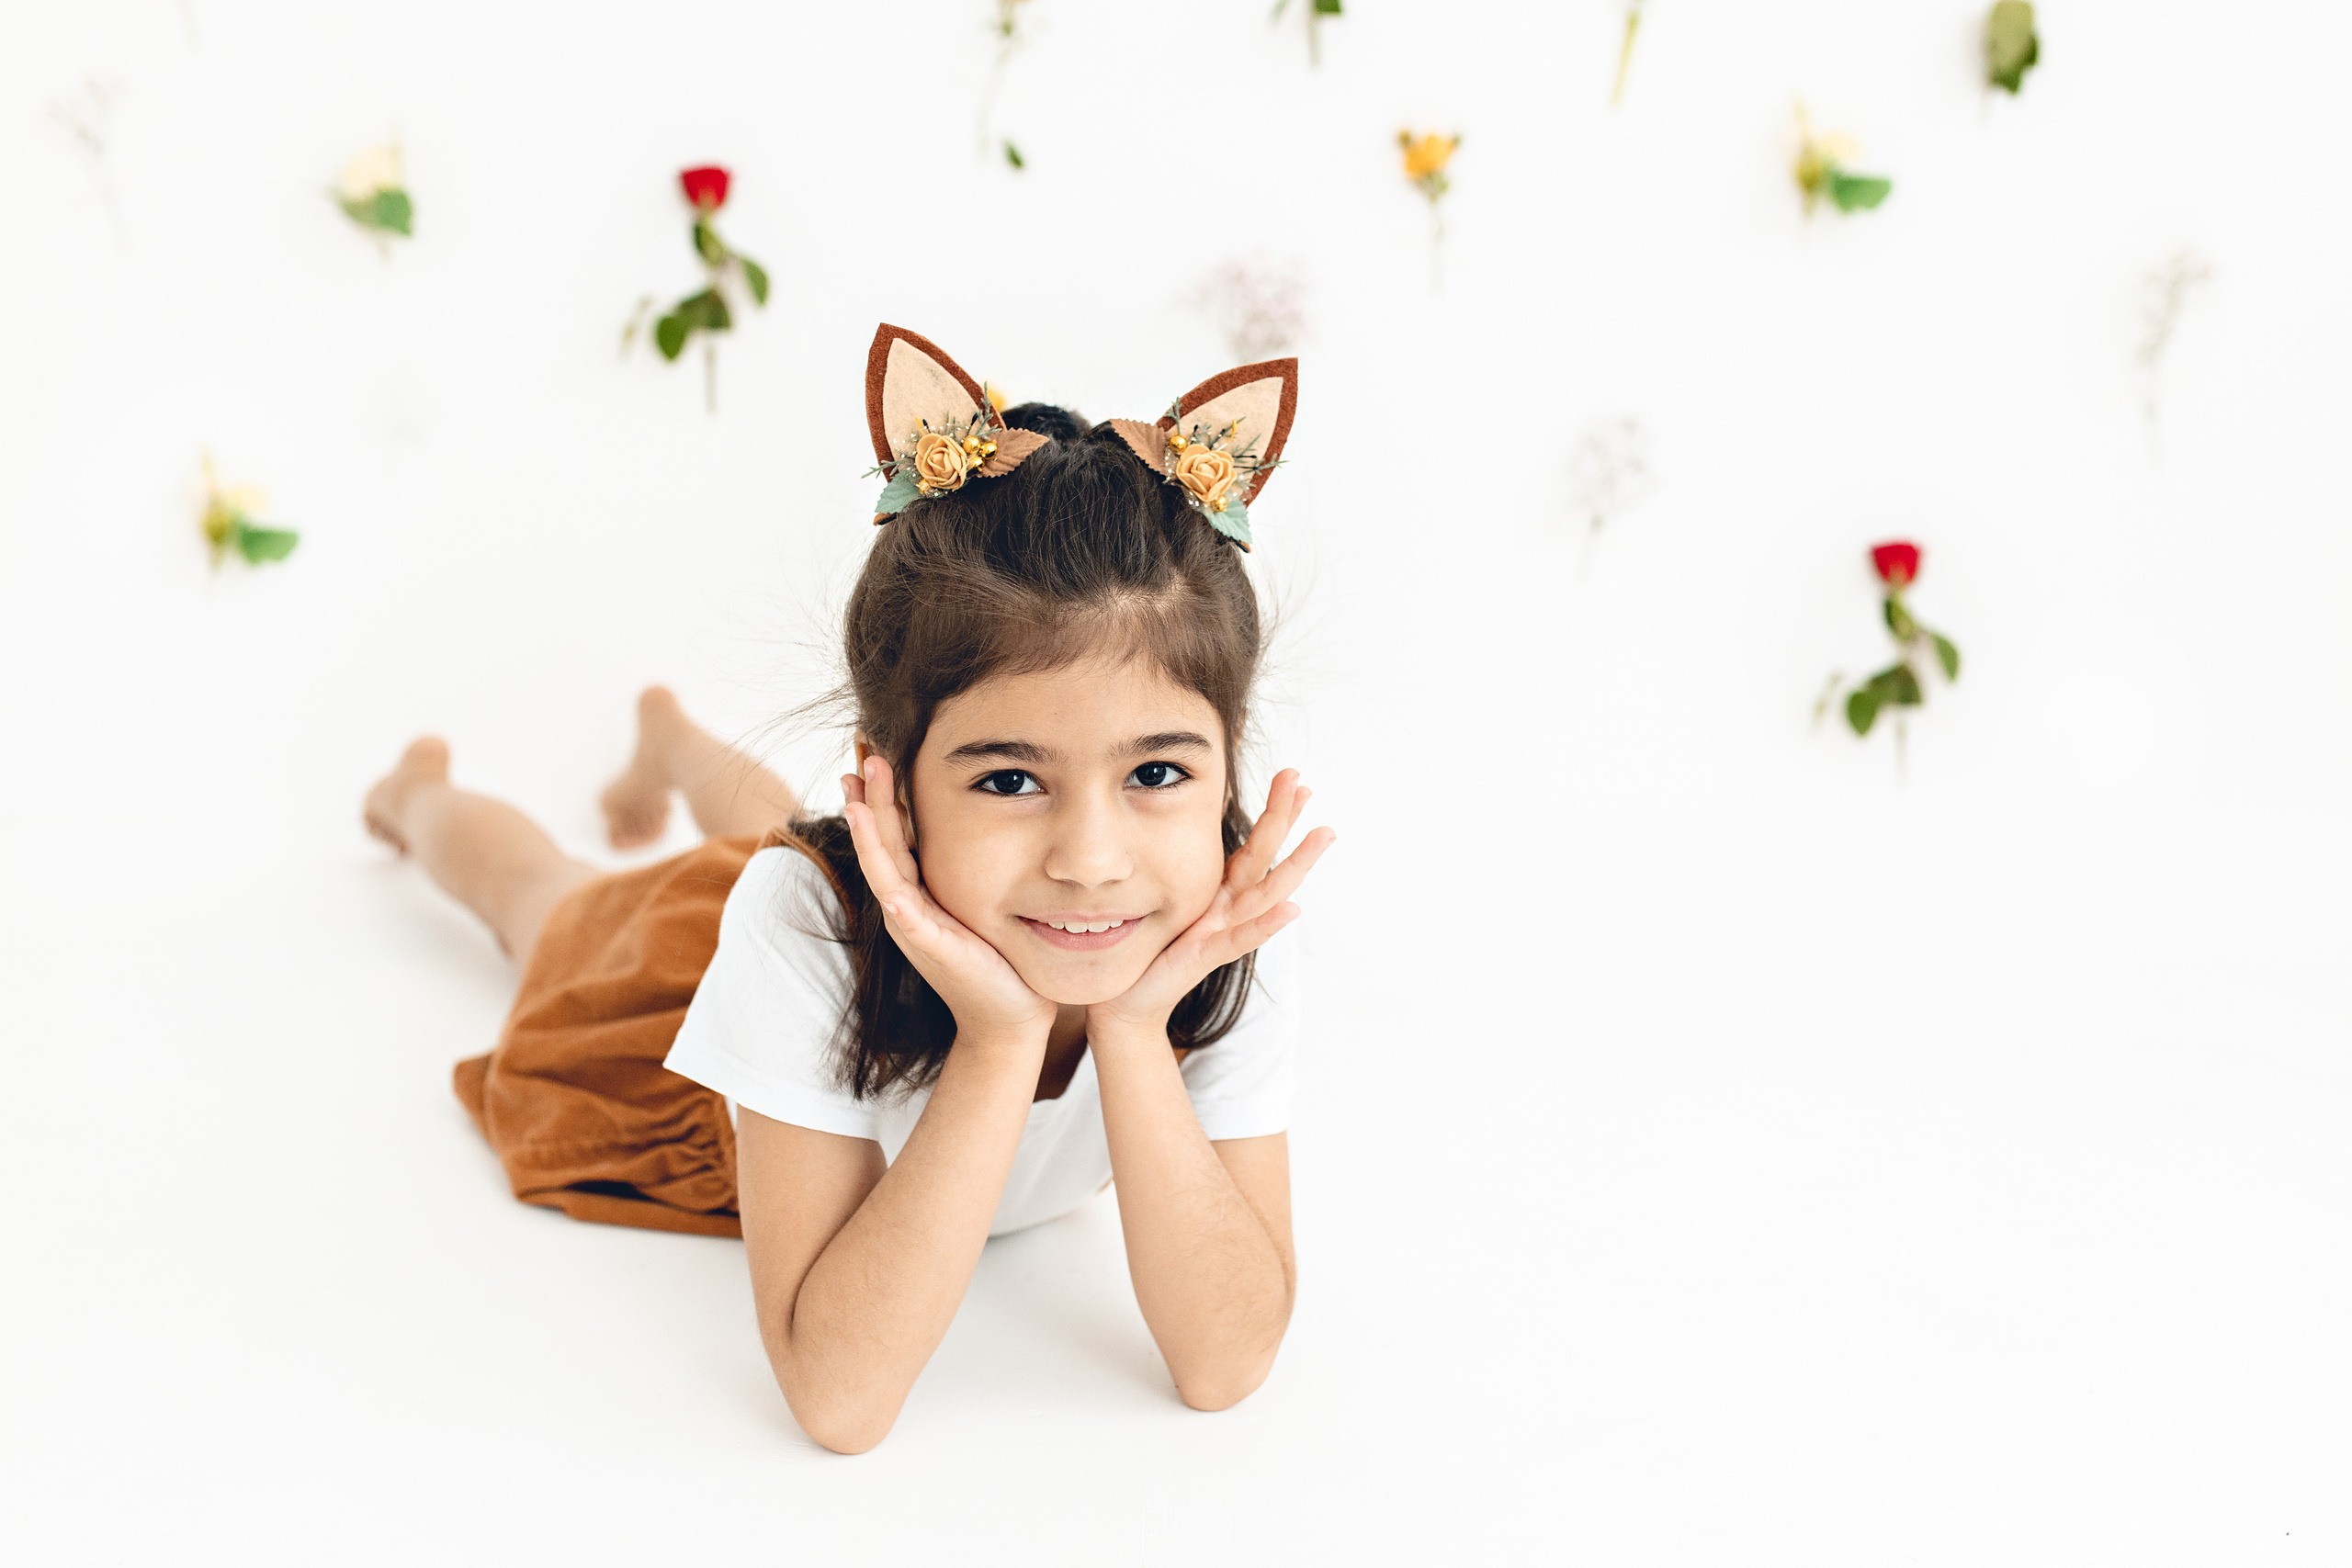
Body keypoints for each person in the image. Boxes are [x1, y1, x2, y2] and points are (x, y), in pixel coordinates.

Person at [361, 324, 1334, 1453]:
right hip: (762, 961)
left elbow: (1224, 1365)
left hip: (920, 887)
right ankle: (414, 795)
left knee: (776, 832)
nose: (1091, 858)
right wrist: (1004, 1038)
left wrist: (1127, 1021)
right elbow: (839, 1400)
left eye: (1157, 773)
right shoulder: (798, 921)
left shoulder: (1220, 934)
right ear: (898, 786)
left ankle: (670, 739)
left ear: (1228, 763)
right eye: (1011, 777)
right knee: (545, 898)